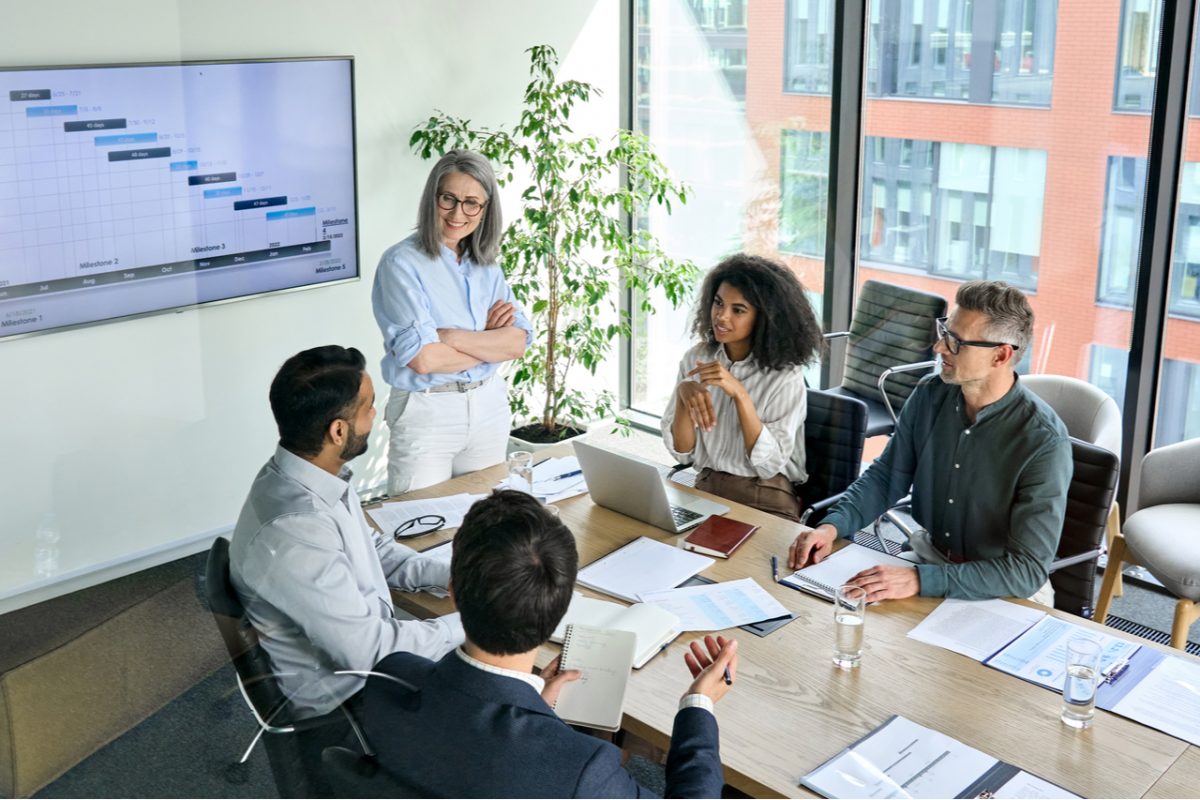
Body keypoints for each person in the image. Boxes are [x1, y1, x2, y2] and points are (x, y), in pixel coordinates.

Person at [364, 490, 737, 798]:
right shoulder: (580, 768)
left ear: (454, 595)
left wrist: (535, 709)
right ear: (559, 613)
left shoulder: (389, 680)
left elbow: (468, 751)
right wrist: (699, 705)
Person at [229, 346, 464, 791]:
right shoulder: (295, 530)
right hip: (347, 709)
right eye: (369, 406)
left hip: (362, 664)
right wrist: (474, 622)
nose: (377, 415)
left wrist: (446, 574)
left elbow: (371, 549)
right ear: (339, 430)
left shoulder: (307, 475)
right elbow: (371, 654)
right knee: (503, 702)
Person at [787, 280, 1072, 605]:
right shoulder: (929, 394)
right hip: (928, 558)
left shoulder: (1044, 441)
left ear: (1001, 355)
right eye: (944, 332)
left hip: (1003, 589)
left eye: (956, 342)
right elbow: (884, 479)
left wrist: (919, 580)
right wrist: (831, 528)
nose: (939, 348)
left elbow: (1024, 571)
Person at [372, 149, 532, 496]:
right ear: (433, 198)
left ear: (486, 209)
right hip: (428, 409)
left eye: (472, 202)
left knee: (487, 528)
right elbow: (424, 359)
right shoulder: (401, 263)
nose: (459, 213)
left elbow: (517, 343)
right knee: (420, 529)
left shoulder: (487, 264)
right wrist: (489, 342)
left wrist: (450, 337)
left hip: (488, 406)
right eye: (449, 199)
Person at [661, 253, 823, 520]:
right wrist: (682, 397)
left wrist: (740, 394)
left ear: (765, 317)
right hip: (707, 487)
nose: (721, 317)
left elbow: (769, 465)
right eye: (718, 303)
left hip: (765, 497)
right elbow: (683, 453)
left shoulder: (785, 376)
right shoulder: (695, 358)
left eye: (738, 310)